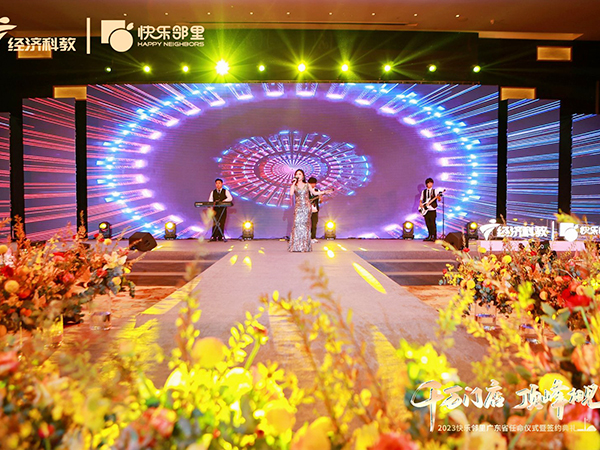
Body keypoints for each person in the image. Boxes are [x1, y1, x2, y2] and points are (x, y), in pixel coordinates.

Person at [289, 169, 332, 252]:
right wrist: (293, 183)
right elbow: (291, 193)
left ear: (303, 176)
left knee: (305, 225)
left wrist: (324, 192)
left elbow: (314, 193)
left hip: (306, 207)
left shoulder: (307, 185)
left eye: (300, 174)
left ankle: (304, 246)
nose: (298, 175)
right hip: (298, 207)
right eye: (296, 174)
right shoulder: (294, 185)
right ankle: (296, 246)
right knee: (297, 224)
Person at [308, 177, 320, 243]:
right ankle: (306, 238)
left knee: (314, 224)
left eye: (314, 183)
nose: (313, 185)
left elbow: (320, 201)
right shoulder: (305, 191)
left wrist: (321, 198)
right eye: (311, 183)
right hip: (307, 210)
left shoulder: (317, 191)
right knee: (306, 224)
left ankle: (313, 237)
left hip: (315, 210)